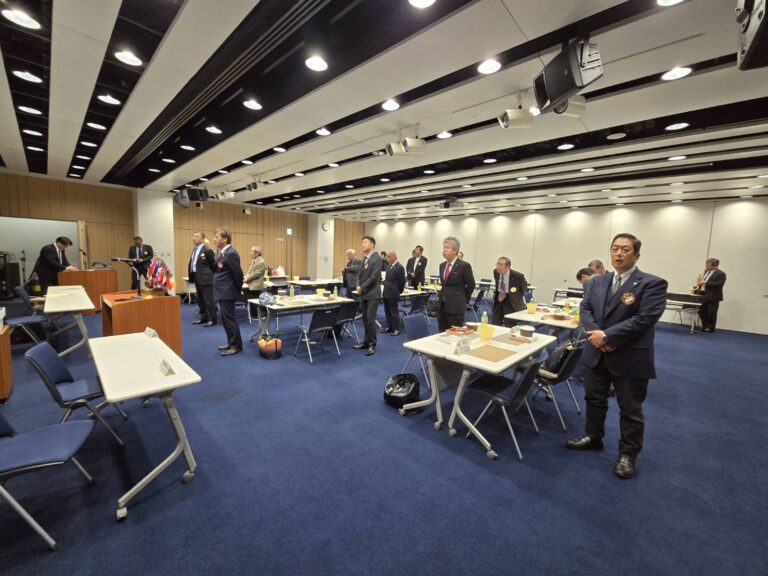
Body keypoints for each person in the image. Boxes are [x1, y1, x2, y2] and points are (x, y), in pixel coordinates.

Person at [567, 233, 667, 480]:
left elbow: (644, 319)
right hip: (596, 352)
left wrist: (607, 337)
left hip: (629, 356)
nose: (619, 253)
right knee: (594, 399)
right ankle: (593, 437)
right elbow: (585, 309)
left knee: (630, 409)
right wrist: (596, 336)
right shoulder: (597, 281)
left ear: (636, 255)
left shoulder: (652, 284)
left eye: (625, 249)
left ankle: (628, 455)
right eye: (615, 248)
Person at [212, 228, 244, 356]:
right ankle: (231, 343)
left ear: (225, 239)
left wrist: (237, 289)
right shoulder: (222, 253)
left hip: (227, 292)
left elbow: (238, 274)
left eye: (217, 237)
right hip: (222, 291)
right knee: (225, 320)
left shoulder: (231, 253)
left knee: (229, 320)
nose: (214, 239)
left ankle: (236, 346)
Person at [437, 237, 475, 332]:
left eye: (447, 248)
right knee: (441, 333)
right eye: (444, 247)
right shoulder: (442, 265)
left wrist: (463, 300)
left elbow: (471, 285)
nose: (444, 250)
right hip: (442, 305)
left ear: (455, 251)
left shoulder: (464, 266)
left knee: (455, 334)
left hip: (456, 306)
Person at [353, 236, 383, 356]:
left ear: (372, 245)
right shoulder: (364, 258)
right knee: (365, 319)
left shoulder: (377, 258)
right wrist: (357, 285)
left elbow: (374, 277)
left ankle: (372, 344)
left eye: (365, 242)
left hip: (372, 294)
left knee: (370, 319)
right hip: (364, 294)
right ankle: (366, 342)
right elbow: (359, 275)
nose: (362, 244)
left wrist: (362, 287)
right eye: (362, 242)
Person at [188, 231, 216, 326]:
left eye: (196, 236)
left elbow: (213, 265)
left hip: (206, 278)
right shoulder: (194, 249)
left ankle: (212, 319)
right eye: (193, 236)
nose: (194, 238)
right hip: (196, 276)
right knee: (200, 299)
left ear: (202, 239)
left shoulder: (207, 250)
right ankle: (204, 318)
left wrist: (210, 276)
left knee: (209, 300)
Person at [491, 256, 527, 326]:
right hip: (499, 298)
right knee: (495, 322)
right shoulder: (495, 272)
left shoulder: (518, 276)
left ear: (508, 267)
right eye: (497, 264)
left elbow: (524, 288)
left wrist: (515, 296)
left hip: (510, 300)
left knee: (509, 323)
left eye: (501, 264)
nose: (498, 266)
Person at [697, 258, 726, 332]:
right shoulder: (706, 272)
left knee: (711, 312)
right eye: (706, 264)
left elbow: (720, 283)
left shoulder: (721, 274)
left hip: (713, 296)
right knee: (701, 311)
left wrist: (705, 282)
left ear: (714, 266)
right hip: (703, 294)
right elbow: (703, 281)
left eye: (708, 265)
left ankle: (710, 327)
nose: (706, 266)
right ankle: (704, 326)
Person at [382, 251, 406, 336]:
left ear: (394, 257)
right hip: (386, 292)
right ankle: (389, 326)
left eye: (389, 257)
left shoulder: (399, 267)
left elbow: (402, 282)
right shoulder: (388, 266)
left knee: (394, 312)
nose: (387, 259)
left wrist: (399, 291)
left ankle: (396, 328)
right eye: (387, 257)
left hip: (393, 293)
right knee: (387, 311)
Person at [244, 245, 267, 317]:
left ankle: (257, 315)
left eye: (252, 251)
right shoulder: (254, 260)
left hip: (256, 285)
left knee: (255, 301)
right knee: (252, 300)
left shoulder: (261, 262)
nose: (250, 253)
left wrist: (247, 279)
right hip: (251, 284)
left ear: (257, 253)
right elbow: (250, 271)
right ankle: (254, 314)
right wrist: (245, 277)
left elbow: (256, 274)